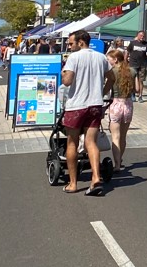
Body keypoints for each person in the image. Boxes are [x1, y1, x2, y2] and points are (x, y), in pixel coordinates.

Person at [61, 30, 115, 195]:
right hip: (95, 105)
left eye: (71, 43)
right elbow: (112, 78)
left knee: (72, 143)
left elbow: (67, 81)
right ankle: (96, 178)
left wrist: (64, 73)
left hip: (76, 106)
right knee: (91, 142)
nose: (70, 47)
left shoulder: (74, 58)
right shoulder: (101, 57)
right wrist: (102, 92)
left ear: (80, 42)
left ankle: (73, 183)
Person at [106, 48, 135, 172]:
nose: (108, 62)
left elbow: (106, 89)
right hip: (128, 104)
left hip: (116, 104)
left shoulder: (112, 72)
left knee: (115, 137)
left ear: (115, 59)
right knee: (123, 137)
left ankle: (117, 164)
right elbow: (137, 89)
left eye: (109, 60)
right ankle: (120, 158)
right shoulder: (132, 71)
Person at [127, 30, 147, 103]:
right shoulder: (132, 43)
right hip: (133, 64)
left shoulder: (146, 44)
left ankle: (140, 96)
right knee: (132, 80)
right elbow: (127, 52)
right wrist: (125, 61)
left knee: (141, 80)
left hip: (142, 64)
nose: (142, 37)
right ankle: (132, 94)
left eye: (143, 36)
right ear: (137, 36)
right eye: (141, 35)